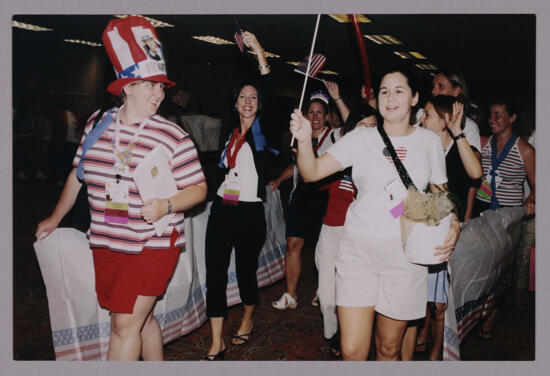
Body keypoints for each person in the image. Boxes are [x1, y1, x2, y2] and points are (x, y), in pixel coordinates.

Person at [35, 16, 207, 361]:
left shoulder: (173, 135)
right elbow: (77, 175)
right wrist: (55, 217)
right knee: (141, 320)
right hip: (107, 239)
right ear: (126, 85)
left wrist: (167, 205)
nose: (159, 94)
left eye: (162, 87)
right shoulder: (97, 124)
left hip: (154, 241)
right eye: (150, 85)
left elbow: (199, 190)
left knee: (123, 325)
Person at [289, 67, 461, 361]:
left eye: (398, 90)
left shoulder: (429, 142)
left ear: (414, 98)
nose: (390, 97)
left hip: (405, 257)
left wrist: (454, 222)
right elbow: (312, 172)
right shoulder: (361, 138)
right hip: (357, 253)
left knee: (388, 348)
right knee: (352, 350)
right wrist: (305, 142)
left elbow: (441, 194)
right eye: (383, 91)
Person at [204, 31, 279, 360]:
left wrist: (258, 50)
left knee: (246, 272)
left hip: (250, 212)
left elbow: (272, 94)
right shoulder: (227, 131)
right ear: (234, 102)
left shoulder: (265, 131)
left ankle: (248, 316)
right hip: (222, 208)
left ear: (258, 104)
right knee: (215, 273)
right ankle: (216, 340)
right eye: (242, 97)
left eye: (253, 98)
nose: (248, 102)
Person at [407, 95, 482, 360]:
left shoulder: (458, 146)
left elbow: (475, 174)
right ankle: (417, 339)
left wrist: (458, 132)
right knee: (417, 295)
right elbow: (407, 192)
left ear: (443, 120)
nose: (421, 118)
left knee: (439, 303)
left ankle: (436, 352)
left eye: (427, 114)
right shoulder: (419, 146)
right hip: (422, 229)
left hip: (449, 232)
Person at [314, 101, 379, 358]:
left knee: (352, 296)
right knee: (327, 297)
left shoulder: (382, 165)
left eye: (372, 127)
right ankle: (332, 332)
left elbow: (398, 205)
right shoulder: (339, 158)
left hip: (361, 237)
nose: (366, 133)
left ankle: (345, 337)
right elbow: (314, 180)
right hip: (331, 232)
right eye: (361, 126)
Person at [473, 97, 535, 339]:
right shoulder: (484, 144)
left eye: (499, 115)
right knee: (484, 268)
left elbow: (537, 184)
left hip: (508, 219)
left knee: (499, 271)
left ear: (512, 118)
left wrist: (531, 201)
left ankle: (491, 317)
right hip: (483, 213)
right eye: (491, 114)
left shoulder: (525, 150)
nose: (493, 119)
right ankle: (480, 312)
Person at [270, 91, 332, 310]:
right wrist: (278, 180)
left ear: (326, 116)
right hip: (301, 196)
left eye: (320, 113)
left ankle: (323, 292)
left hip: (325, 197)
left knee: (324, 249)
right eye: (311, 113)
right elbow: (294, 167)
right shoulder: (299, 137)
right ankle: (291, 294)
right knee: (293, 244)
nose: (315, 117)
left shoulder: (335, 137)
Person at [425, 68, 481, 153]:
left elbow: (473, 165)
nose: (434, 91)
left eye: (440, 86)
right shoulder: (423, 117)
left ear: (456, 91)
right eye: (433, 86)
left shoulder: (469, 127)